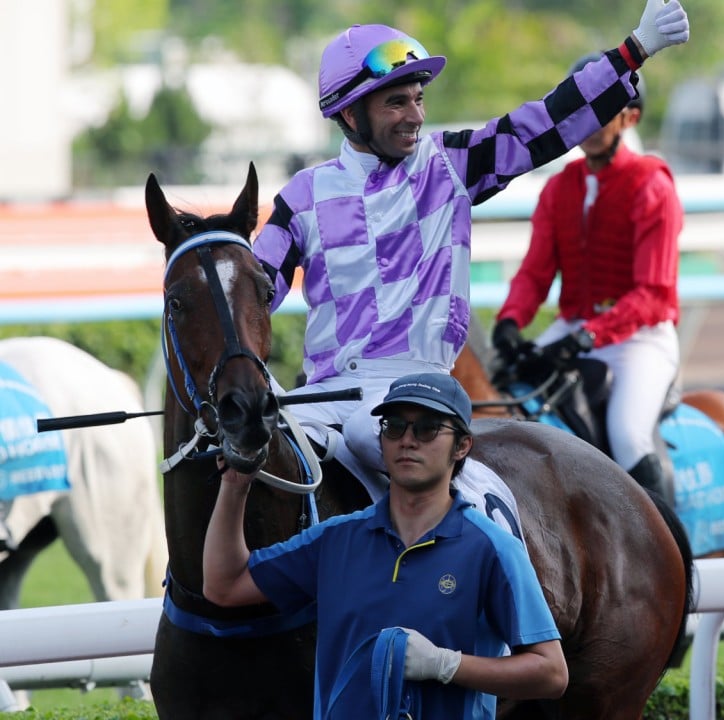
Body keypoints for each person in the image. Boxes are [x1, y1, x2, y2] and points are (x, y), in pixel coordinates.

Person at [251, 1, 690, 482]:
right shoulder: (301, 197)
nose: (415, 115)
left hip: (415, 394)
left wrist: (633, 52)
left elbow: (542, 123)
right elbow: (250, 296)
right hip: (323, 399)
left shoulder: (449, 166)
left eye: (418, 99)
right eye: (397, 102)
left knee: (366, 434)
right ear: (350, 115)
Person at [203, 372, 567, 718]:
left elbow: (551, 673)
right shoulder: (336, 540)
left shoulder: (493, 549)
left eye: (427, 428)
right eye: (394, 427)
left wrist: (447, 665)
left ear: (462, 446)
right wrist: (235, 488)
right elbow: (224, 585)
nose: (408, 440)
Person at [490, 51, 683, 506]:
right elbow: (535, 272)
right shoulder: (559, 187)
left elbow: (652, 294)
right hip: (576, 329)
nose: (590, 124)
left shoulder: (652, 185)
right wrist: (510, 322)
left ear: (630, 118)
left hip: (639, 341)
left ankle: (670, 552)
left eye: (604, 112)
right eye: (581, 112)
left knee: (630, 435)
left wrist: (587, 337)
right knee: (503, 398)